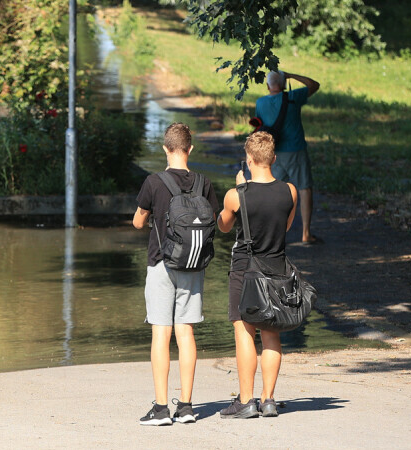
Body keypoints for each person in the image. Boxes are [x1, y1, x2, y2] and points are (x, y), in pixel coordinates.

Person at [132, 122, 220, 426]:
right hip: (194, 265)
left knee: (161, 332)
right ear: (190, 149)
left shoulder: (154, 182)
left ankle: (160, 409)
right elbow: (216, 221)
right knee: (186, 332)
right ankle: (186, 407)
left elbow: (138, 222)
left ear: (165, 148)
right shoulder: (204, 183)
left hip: (161, 263)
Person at [216, 131, 298, 419]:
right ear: (273, 159)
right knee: (271, 333)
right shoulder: (290, 191)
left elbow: (223, 227)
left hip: (245, 269)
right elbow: (285, 227)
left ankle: (247, 401)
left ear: (248, 160)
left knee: (244, 331)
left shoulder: (237, 195)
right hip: (276, 267)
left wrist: (241, 189)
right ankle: (269, 400)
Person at [255, 69, 320, 244]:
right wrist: (291, 76)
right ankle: (306, 233)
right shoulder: (293, 97)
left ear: (268, 85)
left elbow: (259, 126)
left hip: (273, 153)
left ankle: (270, 233)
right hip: (296, 150)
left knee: (273, 191)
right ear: (283, 85)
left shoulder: (260, 103)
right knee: (304, 188)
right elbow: (314, 85)